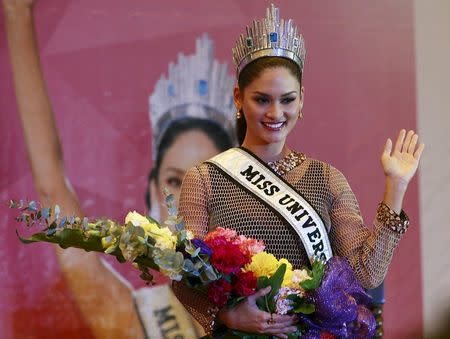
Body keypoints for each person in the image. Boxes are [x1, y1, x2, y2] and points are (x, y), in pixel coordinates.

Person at [173, 4, 424, 338]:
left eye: (287, 99)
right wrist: (228, 316)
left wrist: (396, 186)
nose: (276, 112)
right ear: (238, 98)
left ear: (302, 100)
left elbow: (365, 274)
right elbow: (183, 274)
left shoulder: (327, 179)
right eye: (262, 99)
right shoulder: (204, 178)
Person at [2, 0, 235, 337]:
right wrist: (17, 14)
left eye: (206, 184)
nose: (188, 201)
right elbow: (51, 187)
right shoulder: (138, 319)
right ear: (153, 192)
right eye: (174, 181)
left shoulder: (276, 306)